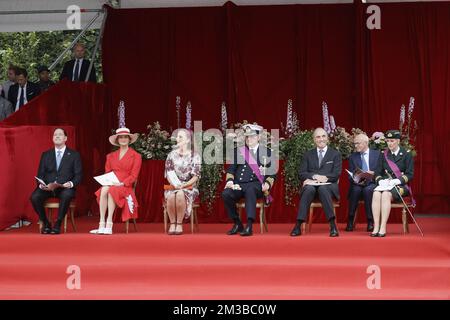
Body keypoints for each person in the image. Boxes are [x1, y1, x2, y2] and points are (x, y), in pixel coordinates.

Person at [222, 124, 276, 237]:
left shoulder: (267, 152)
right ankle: (237, 223)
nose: (249, 139)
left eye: (251, 136)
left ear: (258, 137)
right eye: (247, 137)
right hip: (239, 184)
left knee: (250, 190)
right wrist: (230, 182)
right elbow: (231, 169)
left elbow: (272, 174)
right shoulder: (239, 151)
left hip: (256, 185)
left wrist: (267, 184)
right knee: (226, 193)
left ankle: (249, 225)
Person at [290, 127, 342, 237]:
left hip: (329, 186)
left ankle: (333, 225)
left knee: (323, 189)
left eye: (323, 136)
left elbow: (336, 174)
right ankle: (298, 225)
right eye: (318, 137)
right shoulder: (308, 154)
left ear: (327, 138)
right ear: (314, 139)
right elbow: (302, 173)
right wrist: (315, 176)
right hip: (312, 187)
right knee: (308, 189)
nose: (321, 139)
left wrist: (325, 178)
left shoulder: (335, 154)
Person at [30, 128, 83, 234]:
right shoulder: (46, 154)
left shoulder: (74, 155)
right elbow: (40, 173)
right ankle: (46, 223)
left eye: (60, 134)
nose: (57, 136)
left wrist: (71, 183)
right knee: (34, 197)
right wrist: (41, 185)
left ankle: (58, 223)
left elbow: (79, 175)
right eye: (55, 135)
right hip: (48, 188)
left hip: (64, 187)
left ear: (65, 138)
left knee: (67, 195)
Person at [90, 128, 142, 235]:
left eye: (125, 137)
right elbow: (107, 172)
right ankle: (101, 223)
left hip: (126, 187)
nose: (123, 139)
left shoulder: (136, 156)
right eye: (121, 137)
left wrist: (122, 183)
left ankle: (109, 223)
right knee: (104, 189)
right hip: (112, 183)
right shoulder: (110, 156)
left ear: (129, 139)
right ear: (117, 140)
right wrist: (108, 181)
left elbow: (134, 176)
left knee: (112, 190)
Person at [371, 130, 414, 237]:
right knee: (376, 193)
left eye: (392, 141)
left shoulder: (406, 154)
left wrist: (397, 180)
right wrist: (380, 180)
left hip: (400, 185)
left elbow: (410, 174)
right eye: (388, 141)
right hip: (385, 184)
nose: (389, 143)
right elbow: (377, 172)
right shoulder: (384, 154)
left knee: (385, 194)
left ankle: (383, 227)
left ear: (398, 141)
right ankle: (376, 226)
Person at [164, 128, 201, 235]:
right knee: (172, 195)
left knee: (180, 194)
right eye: (177, 136)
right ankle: (172, 223)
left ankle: (179, 224)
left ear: (188, 140)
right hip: (174, 184)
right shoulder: (171, 155)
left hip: (189, 186)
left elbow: (196, 176)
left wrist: (184, 185)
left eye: (180, 137)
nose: (177, 138)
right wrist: (175, 184)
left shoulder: (195, 156)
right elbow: (169, 173)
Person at [345, 133, 381, 232]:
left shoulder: (377, 154)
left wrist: (373, 173)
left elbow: (381, 171)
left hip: (372, 182)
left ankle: (370, 221)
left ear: (365, 143)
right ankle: (350, 219)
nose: (355, 146)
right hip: (358, 183)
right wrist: (357, 178)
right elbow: (350, 174)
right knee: (355, 190)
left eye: (358, 143)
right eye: (354, 144)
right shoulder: (353, 157)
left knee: (368, 190)